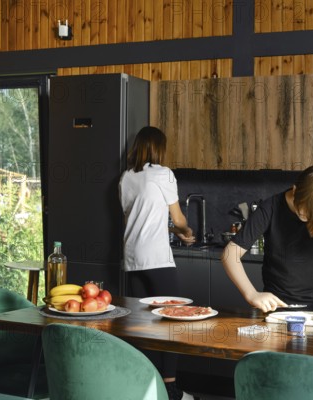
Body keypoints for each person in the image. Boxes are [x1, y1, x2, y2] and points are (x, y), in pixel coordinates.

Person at [119, 126, 195, 400]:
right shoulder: (164, 174)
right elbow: (178, 219)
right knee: (171, 321)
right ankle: (171, 388)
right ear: (158, 149)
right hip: (158, 260)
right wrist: (186, 232)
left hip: (132, 259)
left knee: (142, 324)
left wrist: (175, 233)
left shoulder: (126, 177)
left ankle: (148, 387)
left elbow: (139, 221)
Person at [221, 165, 313, 321]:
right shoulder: (270, 208)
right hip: (277, 309)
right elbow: (230, 255)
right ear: (295, 190)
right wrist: (252, 294)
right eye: (305, 214)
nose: (310, 221)